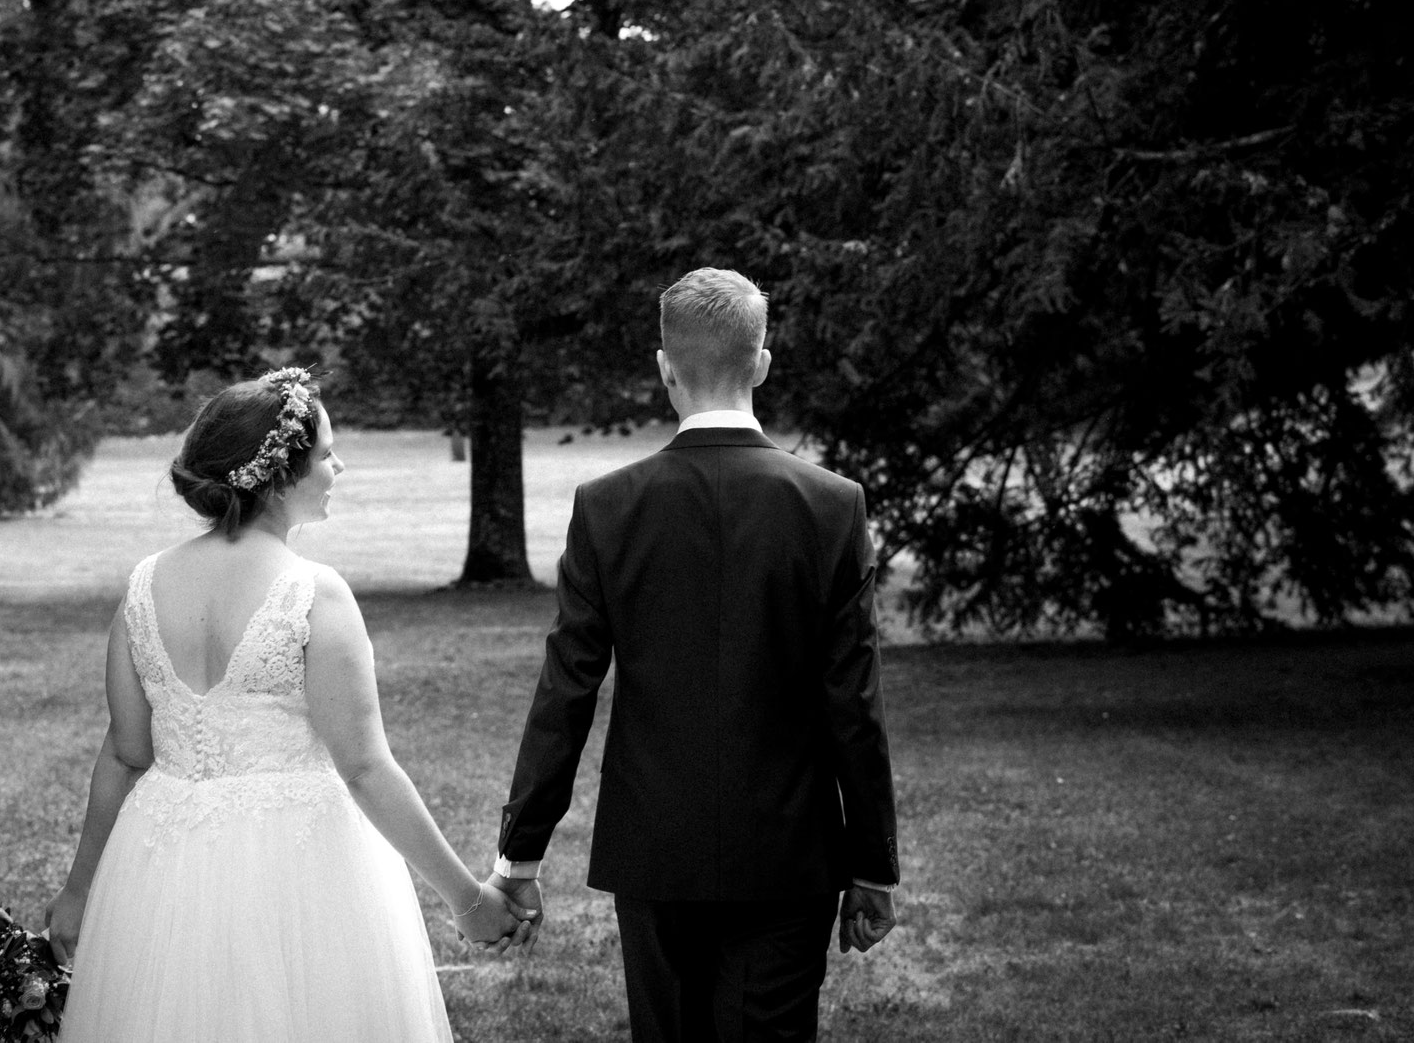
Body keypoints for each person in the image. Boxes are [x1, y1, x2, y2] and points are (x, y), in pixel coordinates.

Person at [44, 367, 532, 1042]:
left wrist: (78, 891)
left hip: (160, 866)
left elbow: (125, 752)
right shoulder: (313, 594)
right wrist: (469, 899)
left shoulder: (142, 588)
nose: (340, 465)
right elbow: (366, 768)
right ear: (279, 474)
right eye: (328, 453)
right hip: (301, 874)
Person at [491, 268, 900, 1043]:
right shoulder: (831, 504)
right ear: (764, 363)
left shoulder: (608, 505)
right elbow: (855, 702)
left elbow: (566, 690)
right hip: (786, 853)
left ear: (663, 368)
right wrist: (873, 861)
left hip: (655, 851)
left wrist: (519, 856)